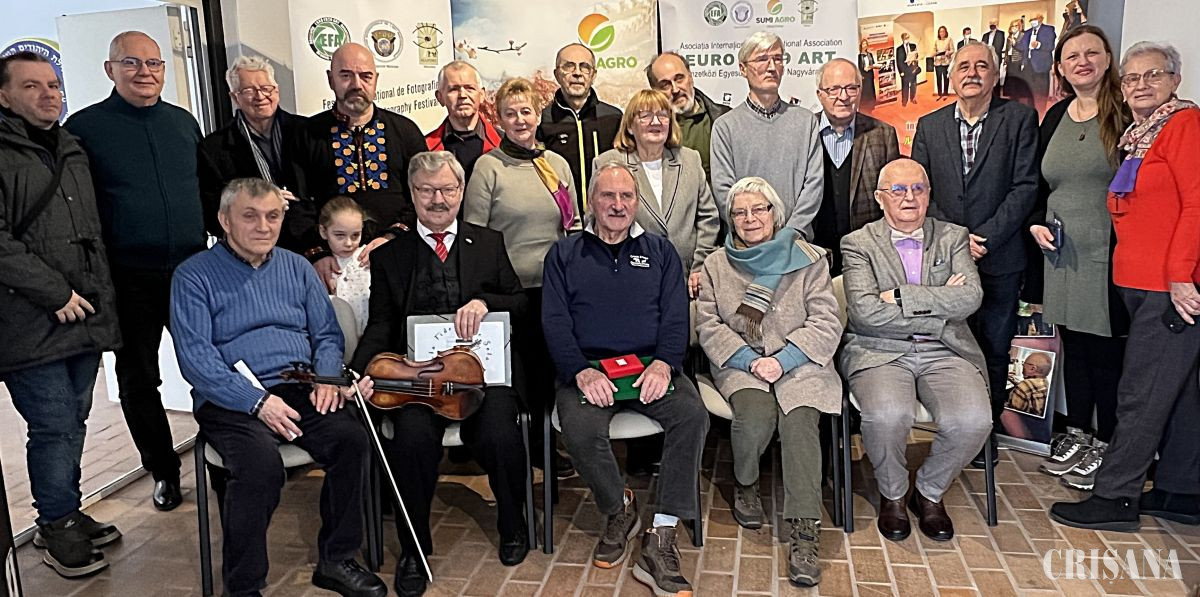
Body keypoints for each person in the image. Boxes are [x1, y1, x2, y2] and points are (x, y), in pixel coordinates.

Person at [170, 178, 386, 597]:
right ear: (224, 220)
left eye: (273, 216)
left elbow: (326, 334)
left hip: (299, 384)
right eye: (250, 216)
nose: (264, 226)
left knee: (351, 440)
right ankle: (243, 586)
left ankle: (336, 559)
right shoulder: (193, 276)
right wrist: (256, 402)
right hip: (231, 397)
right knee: (260, 468)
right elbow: (197, 360)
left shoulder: (297, 267)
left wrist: (327, 378)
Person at [352, 152, 531, 596]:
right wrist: (357, 371)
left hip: (482, 377)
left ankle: (513, 522)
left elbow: (520, 302)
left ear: (461, 191)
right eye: (427, 190)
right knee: (411, 440)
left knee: (501, 433)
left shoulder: (488, 242)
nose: (438, 199)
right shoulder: (390, 255)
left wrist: (485, 302)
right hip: (418, 383)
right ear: (412, 194)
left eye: (448, 189)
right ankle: (414, 548)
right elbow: (381, 324)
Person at [1050, 42, 1200, 532]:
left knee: (1140, 393)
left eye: (1153, 75)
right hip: (1138, 282)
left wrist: (1182, 274)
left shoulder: (1184, 126)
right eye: (1132, 78)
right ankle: (1182, 491)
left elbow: (1197, 203)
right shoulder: (1141, 135)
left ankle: (1115, 496)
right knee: (1178, 391)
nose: (1140, 85)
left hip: (1167, 287)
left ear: (1174, 80)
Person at [543, 162, 707, 596]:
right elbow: (555, 322)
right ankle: (619, 507)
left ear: (637, 202)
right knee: (579, 429)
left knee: (691, 414)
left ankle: (662, 535)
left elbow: (676, 316)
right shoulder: (564, 254)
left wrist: (665, 363)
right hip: (589, 369)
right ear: (590, 202)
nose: (618, 205)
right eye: (608, 196)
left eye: (626, 196)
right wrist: (579, 370)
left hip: (650, 365)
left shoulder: (661, 251)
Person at [65, 30, 207, 511]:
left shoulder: (182, 123)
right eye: (131, 62)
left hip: (191, 272)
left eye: (154, 63)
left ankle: (224, 457)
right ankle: (164, 471)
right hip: (126, 278)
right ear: (110, 70)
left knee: (209, 368)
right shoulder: (85, 128)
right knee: (139, 381)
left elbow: (205, 190)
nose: (145, 72)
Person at [0, 51, 122, 579]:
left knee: (73, 419)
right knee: (52, 425)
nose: (49, 94)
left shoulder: (71, 146)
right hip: (29, 318)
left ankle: (65, 511)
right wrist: (54, 292)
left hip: (82, 313)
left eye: (53, 84)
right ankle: (55, 523)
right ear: (4, 96)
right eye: (32, 86)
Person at [695, 176, 842, 587]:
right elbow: (708, 325)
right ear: (731, 219)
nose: (750, 218)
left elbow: (826, 321)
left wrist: (785, 359)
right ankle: (745, 483)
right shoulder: (716, 265)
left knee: (799, 424)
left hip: (801, 362)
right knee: (755, 417)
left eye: (759, 209)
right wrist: (749, 360)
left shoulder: (808, 258)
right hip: (741, 362)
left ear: (775, 214)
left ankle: (805, 531)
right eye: (740, 212)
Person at [840, 158, 993, 543]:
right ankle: (893, 493)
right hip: (879, 351)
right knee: (887, 415)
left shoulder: (953, 237)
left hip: (946, 349)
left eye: (917, 189)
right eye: (898, 190)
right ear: (880, 198)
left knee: (974, 420)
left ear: (928, 194)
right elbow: (865, 312)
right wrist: (939, 307)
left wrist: (898, 296)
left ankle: (928, 491)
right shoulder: (857, 243)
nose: (909, 197)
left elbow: (971, 298)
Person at [911, 41, 1038, 467]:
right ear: (950, 76)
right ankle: (955, 427)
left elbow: (1025, 186)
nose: (972, 73)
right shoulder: (929, 126)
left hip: (1000, 257)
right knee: (951, 347)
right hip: (946, 261)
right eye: (963, 66)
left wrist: (984, 237)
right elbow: (920, 190)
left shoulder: (1019, 119)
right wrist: (957, 240)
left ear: (996, 75)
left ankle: (986, 434)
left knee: (995, 349)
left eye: (982, 65)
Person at [1026, 25, 1131, 489]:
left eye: (1092, 53)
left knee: (1106, 351)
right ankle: (1078, 434)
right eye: (1072, 56)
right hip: (1060, 255)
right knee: (1075, 347)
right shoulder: (1056, 115)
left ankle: (1108, 445)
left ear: (1108, 59)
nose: (1082, 62)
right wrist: (1035, 221)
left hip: (1107, 254)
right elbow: (1039, 183)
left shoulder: (1124, 113)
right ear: (1061, 68)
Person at [464, 77, 579, 477]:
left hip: (555, 290)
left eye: (526, 111)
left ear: (538, 114)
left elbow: (573, 226)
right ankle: (523, 448)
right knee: (521, 377)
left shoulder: (556, 165)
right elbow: (474, 236)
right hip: (510, 294)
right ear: (499, 118)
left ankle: (547, 445)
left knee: (550, 372)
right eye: (510, 113)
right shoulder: (488, 167)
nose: (519, 120)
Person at [305, 42, 427, 290]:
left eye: (365, 76)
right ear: (330, 80)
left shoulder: (405, 131)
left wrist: (392, 237)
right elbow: (297, 202)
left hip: (399, 258)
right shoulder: (306, 135)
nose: (356, 84)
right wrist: (317, 254)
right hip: (332, 267)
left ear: (376, 80)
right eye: (346, 75)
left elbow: (424, 195)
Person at [595, 89, 719, 297]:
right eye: (645, 115)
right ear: (630, 126)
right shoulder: (608, 163)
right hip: (629, 280)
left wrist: (700, 267)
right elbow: (597, 222)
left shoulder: (690, 160)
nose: (656, 121)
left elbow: (708, 218)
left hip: (686, 280)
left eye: (663, 115)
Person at [198, 55, 318, 253]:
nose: (260, 96)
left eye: (266, 88)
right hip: (250, 252)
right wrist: (260, 201)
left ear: (277, 91)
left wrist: (297, 203)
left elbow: (326, 191)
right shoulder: (214, 148)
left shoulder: (307, 131)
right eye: (249, 90)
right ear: (234, 97)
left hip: (310, 244)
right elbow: (213, 212)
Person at [711, 31, 823, 238]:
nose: (772, 67)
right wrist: (755, 229)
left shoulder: (806, 121)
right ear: (743, 69)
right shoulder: (725, 127)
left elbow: (814, 185)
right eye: (762, 59)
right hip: (748, 243)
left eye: (777, 59)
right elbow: (724, 191)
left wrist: (791, 232)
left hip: (796, 241)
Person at [812, 58, 902, 275]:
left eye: (851, 88)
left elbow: (893, 200)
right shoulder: (803, 132)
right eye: (834, 89)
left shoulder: (883, 134)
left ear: (860, 91)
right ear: (820, 94)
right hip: (813, 254)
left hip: (868, 256)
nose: (843, 97)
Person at [539, 43, 622, 215]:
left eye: (584, 67)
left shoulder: (614, 118)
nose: (577, 73)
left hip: (607, 218)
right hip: (562, 219)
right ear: (557, 74)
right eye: (569, 66)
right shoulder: (544, 121)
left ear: (593, 75)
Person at [646, 51, 730, 182]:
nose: (675, 89)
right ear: (655, 90)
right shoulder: (647, 130)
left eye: (679, 78)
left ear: (690, 77)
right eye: (665, 85)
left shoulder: (725, 118)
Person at [424, 60, 501, 186]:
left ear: (482, 95)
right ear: (440, 97)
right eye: (453, 89)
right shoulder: (425, 148)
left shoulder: (504, 143)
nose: (462, 95)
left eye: (469, 88)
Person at [318, 197, 371, 337]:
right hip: (338, 338)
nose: (348, 243)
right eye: (340, 235)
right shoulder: (322, 267)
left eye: (355, 235)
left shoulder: (369, 257)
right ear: (323, 232)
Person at [1014, 14, 1057, 108]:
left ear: (1040, 19)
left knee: (1041, 91)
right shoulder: (1027, 32)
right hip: (1028, 64)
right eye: (1031, 20)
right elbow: (1021, 47)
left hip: (1041, 65)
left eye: (1034, 19)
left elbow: (1050, 46)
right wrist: (1015, 40)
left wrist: (1039, 45)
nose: (1032, 22)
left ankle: (1040, 111)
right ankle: (1029, 110)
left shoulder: (1048, 30)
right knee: (1028, 90)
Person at [896, 33, 920, 107]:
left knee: (913, 84)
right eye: (905, 38)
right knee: (905, 86)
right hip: (904, 69)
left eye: (908, 38)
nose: (907, 39)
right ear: (902, 39)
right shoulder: (899, 49)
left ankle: (912, 98)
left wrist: (915, 65)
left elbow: (916, 57)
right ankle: (904, 101)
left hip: (912, 68)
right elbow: (898, 61)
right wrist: (901, 72)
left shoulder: (913, 46)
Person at [933, 27, 954, 100]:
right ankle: (939, 93)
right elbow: (933, 50)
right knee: (938, 78)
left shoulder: (949, 39)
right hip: (938, 62)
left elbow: (952, 50)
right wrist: (934, 53)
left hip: (946, 62)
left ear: (945, 32)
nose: (941, 33)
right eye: (940, 32)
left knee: (945, 78)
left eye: (943, 31)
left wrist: (948, 52)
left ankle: (945, 93)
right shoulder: (936, 41)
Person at [858, 39, 878, 111]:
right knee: (865, 91)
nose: (865, 45)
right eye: (863, 44)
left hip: (870, 74)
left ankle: (871, 105)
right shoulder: (859, 56)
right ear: (861, 46)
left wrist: (872, 67)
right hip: (864, 76)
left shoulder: (870, 54)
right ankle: (865, 107)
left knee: (871, 90)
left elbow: (873, 63)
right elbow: (859, 67)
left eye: (866, 44)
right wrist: (861, 75)